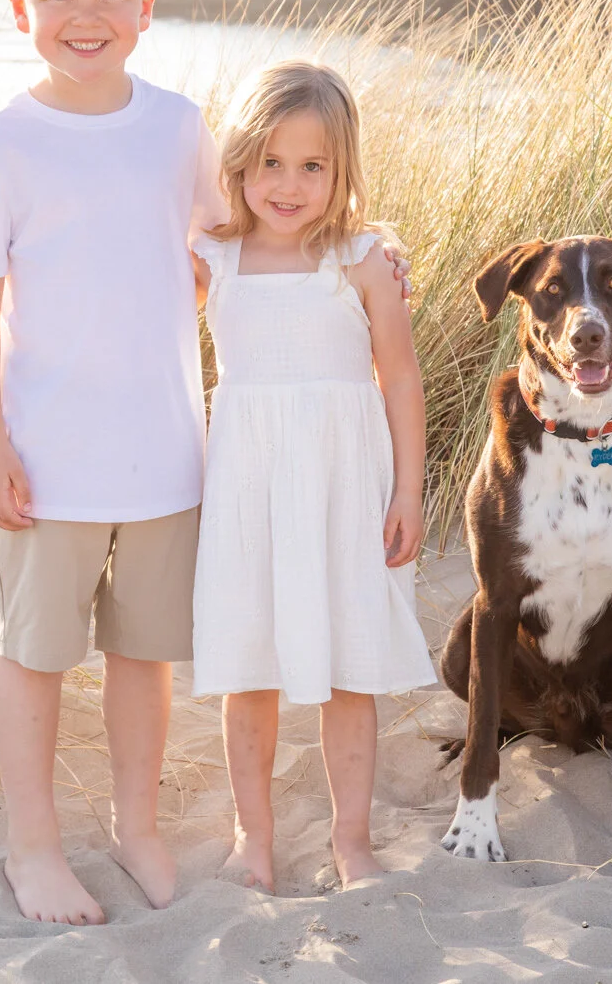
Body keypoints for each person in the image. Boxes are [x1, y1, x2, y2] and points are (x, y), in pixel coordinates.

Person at [0, 0, 220, 926]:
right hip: (46, 459)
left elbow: (221, 251)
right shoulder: (0, 145)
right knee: (35, 656)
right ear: (21, 6)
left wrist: (374, 254)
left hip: (161, 451)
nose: (85, 13)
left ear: (145, 4)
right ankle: (32, 849)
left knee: (143, 656)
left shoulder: (177, 126)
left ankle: (137, 825)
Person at [189, 60, 437, 893]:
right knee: (251, 668)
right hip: (249, 486)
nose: (288, 185)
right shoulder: (212, 257)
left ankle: (353, 842)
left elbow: (400, 377)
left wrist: (409, 488)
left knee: (348, 668)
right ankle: (251, 840)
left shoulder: (363, 259)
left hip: (341, 482)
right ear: (240, 161)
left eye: (313, 166)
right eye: (270, 162)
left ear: (342, 171)